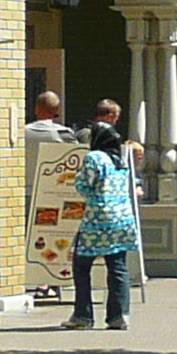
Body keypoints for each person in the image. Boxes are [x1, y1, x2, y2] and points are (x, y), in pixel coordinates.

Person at [63, 120, 139, 330]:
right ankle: (119, 315)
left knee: (81, 265)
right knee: (117, 267)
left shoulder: (94, 158)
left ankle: (83, 315)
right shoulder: (120, 160)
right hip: (123, 219)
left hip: (97, 220)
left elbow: (84, 185)